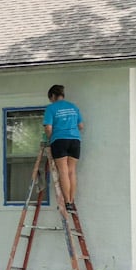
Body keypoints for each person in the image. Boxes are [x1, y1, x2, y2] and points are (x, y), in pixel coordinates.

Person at [43, 84, 84, 213]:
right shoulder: (73, 107)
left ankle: (67, 202)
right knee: (72, 171)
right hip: (75, 140)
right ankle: (71, 200)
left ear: (53, 96)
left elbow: (48, 128)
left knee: (63, 171)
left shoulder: (51, 108)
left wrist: (51, 138)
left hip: (59, 140)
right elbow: (81, 126)